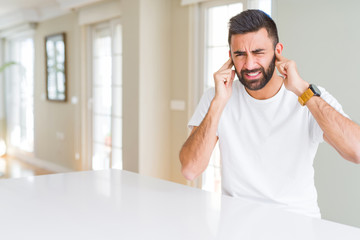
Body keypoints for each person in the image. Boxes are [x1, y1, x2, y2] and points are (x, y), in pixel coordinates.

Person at [179, 9, 360, 218]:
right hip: (236, 224)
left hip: (297, 224)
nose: (249, 65)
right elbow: (190, 169)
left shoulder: (309, 96)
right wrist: (219, 103)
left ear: (277, 51)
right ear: (230, 57)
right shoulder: (217, 97)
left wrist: (302, 90)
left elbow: (356, 151)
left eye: (258, 52)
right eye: (240, 54)